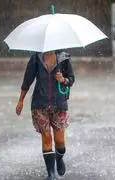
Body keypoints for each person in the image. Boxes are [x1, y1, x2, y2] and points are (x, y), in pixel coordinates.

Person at [15, 50, 75, 180]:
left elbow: (71, 79)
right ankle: (51, 174)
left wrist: (63, 79)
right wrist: (21, 100)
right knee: (46, 137)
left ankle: (59, 159)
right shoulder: (36, 59)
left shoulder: (64, 58)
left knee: (59, 141)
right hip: (39, 104)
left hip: (59, 104)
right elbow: (27, 81)